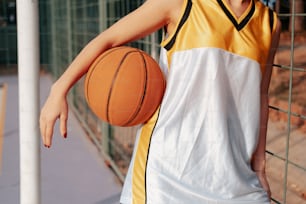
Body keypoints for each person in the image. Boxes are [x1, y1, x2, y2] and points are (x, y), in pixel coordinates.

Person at [40, 0, 281, 203]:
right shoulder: (181, 4)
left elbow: (260, 96)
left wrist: (259, 166)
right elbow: (109, 39)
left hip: (234, 178)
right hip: (166, 173)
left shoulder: (270, 24)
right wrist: (60, 88)